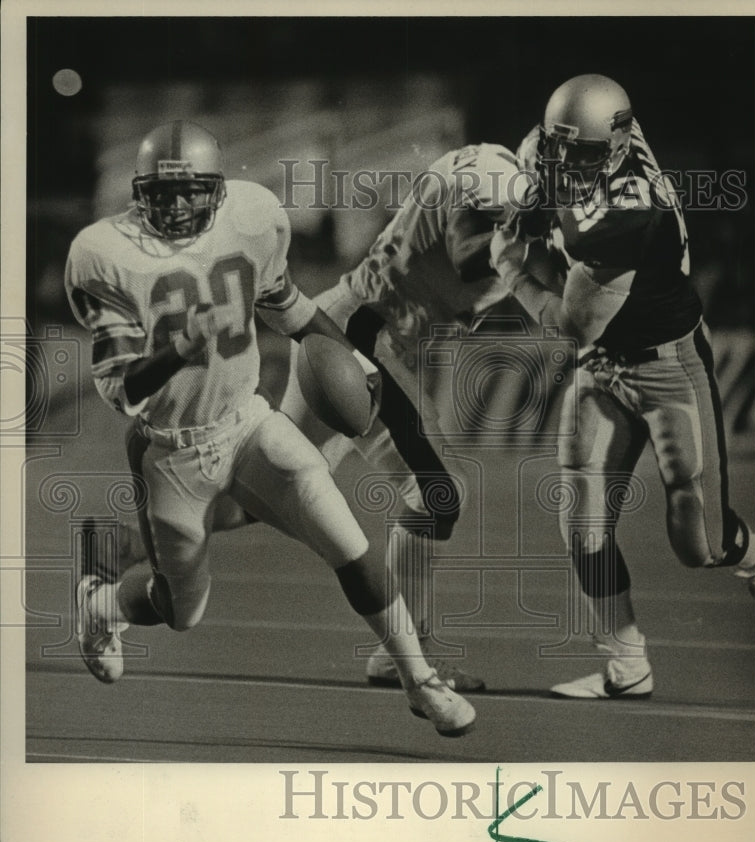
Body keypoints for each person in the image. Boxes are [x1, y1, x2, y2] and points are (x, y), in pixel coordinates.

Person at [64, 119, 476, 738]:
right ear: (138, 192)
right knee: (180, 610)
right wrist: (179, 350)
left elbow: (296, 312)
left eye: (192, 191)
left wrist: (354, 363)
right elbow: (123, 388)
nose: (177, 206)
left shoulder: (251, 219)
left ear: (220, 189)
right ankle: (100, 605)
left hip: (248, 423)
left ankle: (419, 681)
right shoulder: (106, 254)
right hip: (171, 454)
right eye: (162, 193)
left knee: (348, 540)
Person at [490, 73, 755, 698]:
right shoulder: (568, 143)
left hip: (666, 364)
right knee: (582, 525)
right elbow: (547, 170)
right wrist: (532, 201)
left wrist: (512, 269)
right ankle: (626, 664)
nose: (567, 164)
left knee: (701, 543)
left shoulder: (628, 214)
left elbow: (571, 323)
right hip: (603, 370)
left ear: (615, 146)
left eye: (582, 155)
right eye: (561, 148)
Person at [279, 140, 546, 691]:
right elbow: (468, 250)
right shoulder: (497, 182)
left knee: (268, 482)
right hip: (361, 334)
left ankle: (118, 563)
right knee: (437, 492)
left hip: (357, 328)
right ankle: (405, 651)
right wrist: (539, 226)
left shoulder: (506, 184)